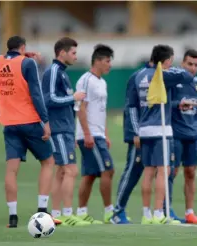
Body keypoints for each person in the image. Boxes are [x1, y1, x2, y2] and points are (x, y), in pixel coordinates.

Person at [0, 36, 60, 228]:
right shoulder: (28, 64)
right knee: (48, 162)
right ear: (23, 47)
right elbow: (36, 93)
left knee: (11, 170)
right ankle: (42, 211)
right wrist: (45, 121)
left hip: (9, 123)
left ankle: (13, 217)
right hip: (29, 121)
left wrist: (23, 54)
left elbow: (4, 58)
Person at [128, 44, 195, 224]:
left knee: (148, 171)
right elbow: (187, 76)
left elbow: (132, 105)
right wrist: (173, 69)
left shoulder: (140, 75)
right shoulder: (163, 74)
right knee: (164, 171)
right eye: (170, 62)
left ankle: (146, 214)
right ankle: (159, 213)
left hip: (144, 129)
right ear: (166, 61)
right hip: (161, 129)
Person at [42, 37, 89, 226]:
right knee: (70, 170)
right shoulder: (53, 71)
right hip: (59, 128)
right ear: (62, 52)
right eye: (73, 53)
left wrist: (73, 101)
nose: (76, 57)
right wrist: (73, 98)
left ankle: (55, 214)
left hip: (66, 127)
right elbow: (49, 99)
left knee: (62, 171)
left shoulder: (62, 73)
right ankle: (68, 214)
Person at [167, 49, 197, 224]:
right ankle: (166, 209)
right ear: (182, 63)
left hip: (193, 135)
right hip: (175, 134)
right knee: (172, 172)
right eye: (189, 64)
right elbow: (164, 104)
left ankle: (189, 212)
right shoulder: (172, 80)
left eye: (196, 65)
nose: (193, 68)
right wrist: (178, 104)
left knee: (190, 172)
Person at [75, 44, 115, 224]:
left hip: (98, 134)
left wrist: (105, 134)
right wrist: (87, 134)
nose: (110, 65)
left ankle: (82, 212)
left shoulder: (103, 82)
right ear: (97, 61)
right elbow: (81, 109)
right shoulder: (86, 80)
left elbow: (101, 110)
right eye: (107, 61)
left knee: (90, 174)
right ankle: (109, 212)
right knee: (108, 169)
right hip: (89, 135)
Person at [110, 60, 153, 224]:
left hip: (153, 132)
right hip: (139, 134)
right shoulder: (138, 77)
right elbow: (131, 106)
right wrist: (136, 132)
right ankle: (117, 210)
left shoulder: (162, 76)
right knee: (133, 171)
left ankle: (158, 212)